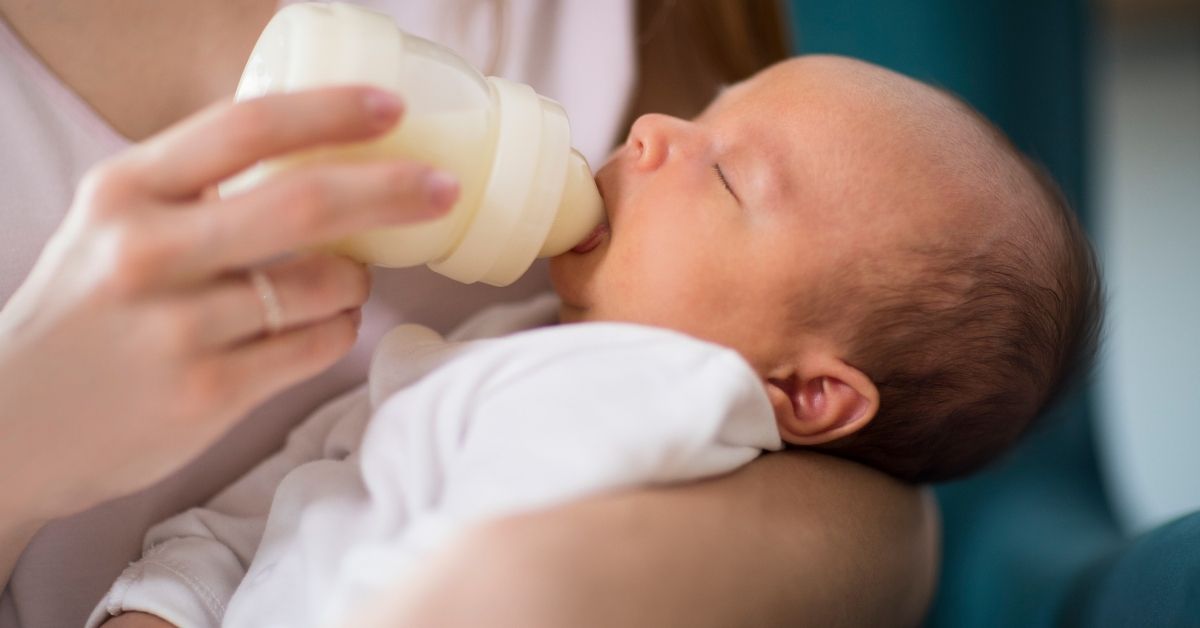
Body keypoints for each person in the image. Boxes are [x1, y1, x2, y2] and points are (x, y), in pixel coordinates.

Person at [0, 2, 937, 627]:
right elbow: (271, 516)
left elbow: (882, 495)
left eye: (725, 168)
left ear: (811, 396)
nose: (652, 133)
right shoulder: (454, 366)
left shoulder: (672, 394)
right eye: (706, 118)